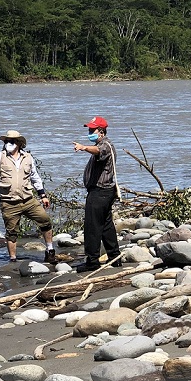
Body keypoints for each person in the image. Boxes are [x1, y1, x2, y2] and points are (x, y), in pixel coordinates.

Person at [0, 130, 56, 266]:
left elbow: (35, 177)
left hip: (28, 200)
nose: (8, 144)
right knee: (11, 232)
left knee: (45, 221)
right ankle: (13, 260)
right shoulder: (0, 157)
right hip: (9, 202)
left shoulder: (28, 158)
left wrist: (43, 195)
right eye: (6, 141)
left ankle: (50, 251)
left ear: (18, 143)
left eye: (11, 141)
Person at [72, 116, 121, 273]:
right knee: (106, 225)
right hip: (103, 192)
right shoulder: (102, 143)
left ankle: (92, 261)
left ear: (101, 131)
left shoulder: (105, 145)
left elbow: (99, 151)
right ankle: (114, 257)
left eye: (92, 130)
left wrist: (84, 147)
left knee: (92, 226)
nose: (89, 132)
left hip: (100, 192)